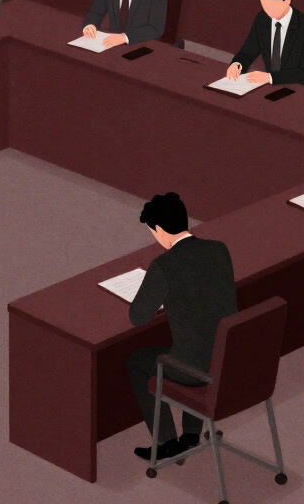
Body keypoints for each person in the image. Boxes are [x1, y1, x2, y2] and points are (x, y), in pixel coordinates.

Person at [126, 193, 237, 462]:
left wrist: (163, 297)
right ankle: (190, 435)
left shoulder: (163, 265)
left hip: (197, 370)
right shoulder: (219, 249)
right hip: (228, 358)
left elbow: (138, 316)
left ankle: (166, 442)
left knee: (138, 360)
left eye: (153, 232)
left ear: (160, 229)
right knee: (201, 337)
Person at [225, 0, 304, 89]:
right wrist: (237, 65)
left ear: (288, 0)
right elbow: (247, 52)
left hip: (301, 91)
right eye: (264, 4)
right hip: (271, 88)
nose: (267, 10)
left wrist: (270, 78)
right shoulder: (262, 20)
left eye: (272, 5)